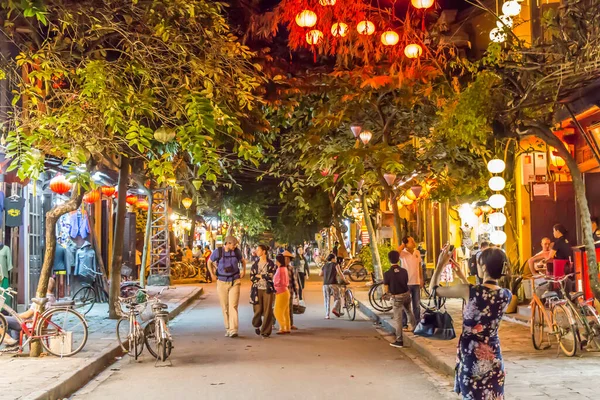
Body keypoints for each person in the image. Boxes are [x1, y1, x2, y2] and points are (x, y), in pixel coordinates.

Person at [430, 245, 512, 400]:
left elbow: (434, 290)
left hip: (472, 357)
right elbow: (483, 300)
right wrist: (463, 277)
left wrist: (440, 264)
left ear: (484, 267)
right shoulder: (506, 294)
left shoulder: (469, 291)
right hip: (494, 358)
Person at [208, 236, 246, 338]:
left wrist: (243, 271)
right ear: (228, 243)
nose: (235, 246)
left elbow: (243, 261)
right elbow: (209, 262)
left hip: (235, 281)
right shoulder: (218, 252)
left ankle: (233, 329)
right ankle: (228, 328)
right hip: (221, 281)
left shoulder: (236, 252)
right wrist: (212, 273)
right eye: (233, 244)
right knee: (225, 306)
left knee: (233, 306)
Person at [384, 250, 415, 348]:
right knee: (409, 311)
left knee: (398, 319)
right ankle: (415, 328)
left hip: (396, 297)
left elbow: (386, 288)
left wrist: (387, 295)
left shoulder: (387, 273)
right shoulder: (404, 271)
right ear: (398, 259)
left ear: (389, 260)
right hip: (406, 294)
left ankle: (399, 340)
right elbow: (406, 281)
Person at [250, 244, 276, 338]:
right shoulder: (255, 264)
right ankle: (257, 324)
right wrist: (263, 276)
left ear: (264, 251)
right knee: (257, 309)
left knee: (267, 310)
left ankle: (265, 331)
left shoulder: (271, 263)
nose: (256, 251)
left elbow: (271, 276)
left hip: (267, 289)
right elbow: (252, 277)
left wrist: (259, 276)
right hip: (256, 290)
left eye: (258, 250)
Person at [399, 236, 422, 329]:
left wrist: (421, 278)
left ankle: (417, 323)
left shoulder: (417, 252)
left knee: (416, 305)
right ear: (406, 243)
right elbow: (396, 253)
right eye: (411, 241)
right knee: (405, 305)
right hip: (406, 283)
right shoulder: (403, 253)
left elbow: (419, 266)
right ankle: (404, 324)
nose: (413, 242)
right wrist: (403, 244)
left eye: (413, 240)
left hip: (416, 282)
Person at [319, 253, 344, 319]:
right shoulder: (335, 264)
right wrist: (344, 279)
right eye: (335, 258)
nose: (336, 259)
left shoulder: (324, 265)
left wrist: (326, 274)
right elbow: (340, 273)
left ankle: (327, 315)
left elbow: (320, 274)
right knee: (337, 298)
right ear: (332, 259)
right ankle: (335, 309)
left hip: (325, 284)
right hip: (333, 283)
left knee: (326, 299)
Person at [273, 254, 291, 334]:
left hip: (281, 291)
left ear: (278, 261)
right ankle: (287, 327)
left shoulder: (280, 269)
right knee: (285, 311)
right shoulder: (285, 268)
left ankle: (283, 327)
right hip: (285, 291)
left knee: (277, 311)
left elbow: (278, 281)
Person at [282, 250, 299, 330]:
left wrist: (297, 293)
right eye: (285, 258)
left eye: (288, 259)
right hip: (280, 292)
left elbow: (294, 281)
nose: (286, 260)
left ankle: (290, 324)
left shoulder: (291, 268)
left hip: (289, 291)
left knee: (289, 308)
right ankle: (274, 323)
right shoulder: (277, 268)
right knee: (278, 308)